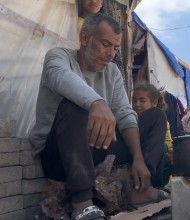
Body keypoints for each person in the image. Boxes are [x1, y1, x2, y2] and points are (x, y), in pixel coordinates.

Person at [29, 13, 167, 220]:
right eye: (105, 44)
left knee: (155, 116)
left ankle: (140, 187)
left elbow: (124, 112)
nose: (111, 53)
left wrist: (139, 158)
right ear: (85, 39)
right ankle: (83, 204)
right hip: (59, 152)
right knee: (75, 104)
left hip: (96, 148)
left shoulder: (112, 72)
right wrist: (97, 102)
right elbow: (59, 76)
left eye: (115, 48)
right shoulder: (59, 56)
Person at [131, 83, 172, 187]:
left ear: (154, 103)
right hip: (136, 156)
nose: (137, 104)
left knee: (164, 149)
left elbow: (167, 142)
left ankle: (154, 184)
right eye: (134, 101)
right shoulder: (131, 120)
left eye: (142, 100)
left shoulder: (160, 120)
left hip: (156, 158)